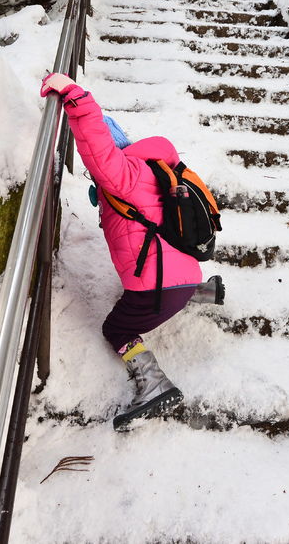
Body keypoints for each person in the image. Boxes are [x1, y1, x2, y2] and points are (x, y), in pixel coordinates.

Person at [40, 72, 202, 429]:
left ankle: (155, 383)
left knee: (117, 329)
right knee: (155, 277)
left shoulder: (125, 174)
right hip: (184, 275)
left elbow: (98, 148)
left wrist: (75, 98)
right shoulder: (154, 172)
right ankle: (201, 290)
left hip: (160, 289)